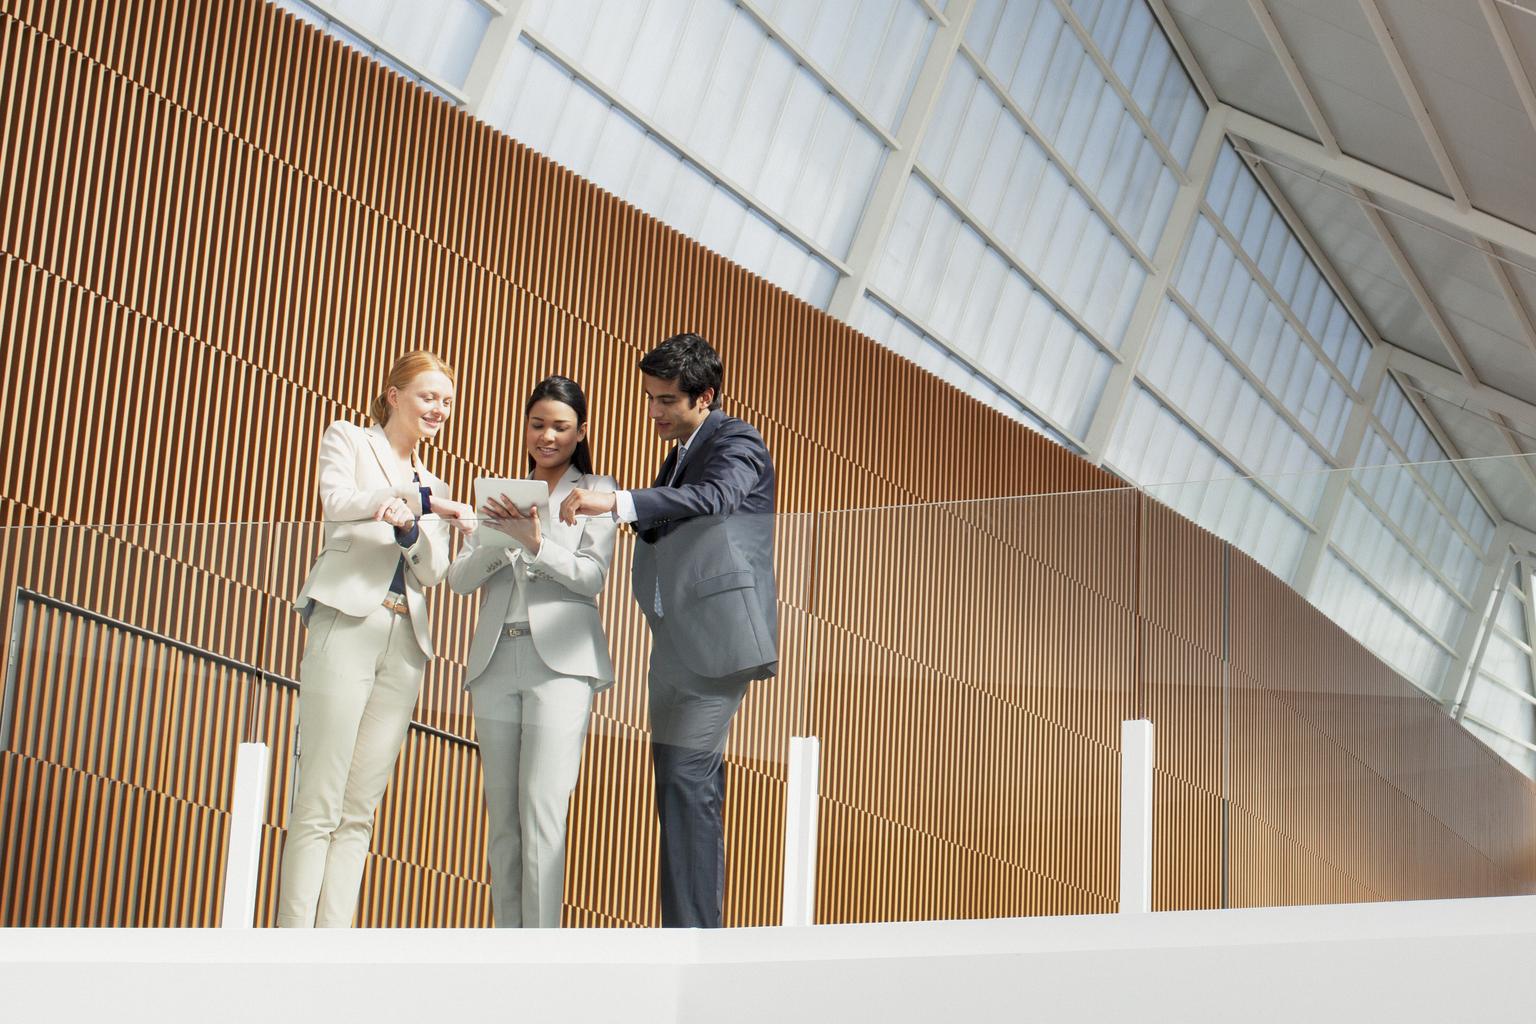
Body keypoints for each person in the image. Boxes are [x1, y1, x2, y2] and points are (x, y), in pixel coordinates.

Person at [560, 332, 776, 929]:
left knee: (687, 779)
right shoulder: (679, 450)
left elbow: (717, 496)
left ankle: (697, 937)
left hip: (720, 644)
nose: (653, 412)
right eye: (649, 398)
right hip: (676, 643)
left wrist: (620, 504)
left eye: (666, 401)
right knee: (679, 788)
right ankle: (684, 931)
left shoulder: (736, 441)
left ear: (704, 397)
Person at [278, 351, 472, 928]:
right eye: (428, 396)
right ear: (394, 394)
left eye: (446, 401)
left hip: (405, 637)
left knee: (360, 809)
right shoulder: (349, 439)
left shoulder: (436, 484)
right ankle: (292, 942)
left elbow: (434, 568)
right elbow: (337, 504)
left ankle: (334, 945)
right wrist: (420, 505)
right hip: (346, 618)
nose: (439, 409)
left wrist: (413, 522)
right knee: (319, 798)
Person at [449, 375, 618, 928]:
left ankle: (543, 959)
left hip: (561, 667)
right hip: (496, 661)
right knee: (503, 824)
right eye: (537, 424)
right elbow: (456, 579)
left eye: (560, 427)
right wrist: (499, 538)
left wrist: (537, 543)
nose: (547, 436)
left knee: (544, 814)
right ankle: (507, 953)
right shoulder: (503, 495)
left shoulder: (596, 492)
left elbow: (592, 578)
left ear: (581, 431)